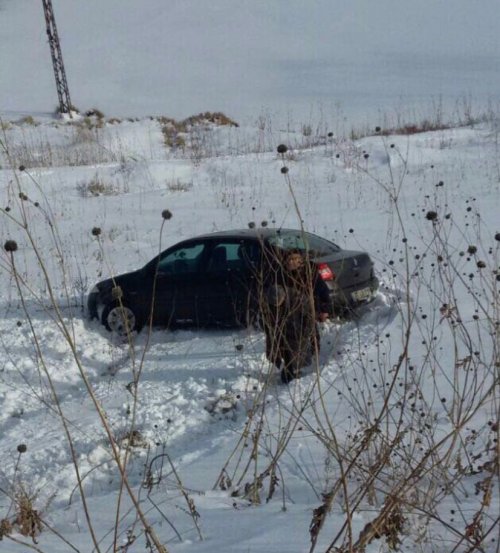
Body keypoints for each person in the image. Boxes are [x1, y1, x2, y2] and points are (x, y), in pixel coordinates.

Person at [263, 249, 331, 383]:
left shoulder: (310, 273)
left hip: (307, 308)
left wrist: (324, 309)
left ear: (301, 261)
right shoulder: (280, 274)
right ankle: (290, 366)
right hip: (286, 309)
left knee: (308, 334)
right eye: (289, 259)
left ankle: (310, 361)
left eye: (295, 259)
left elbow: (323, 292)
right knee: (287, 339)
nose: (292, 262)